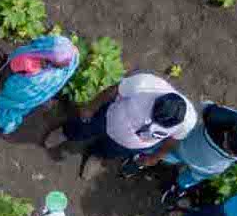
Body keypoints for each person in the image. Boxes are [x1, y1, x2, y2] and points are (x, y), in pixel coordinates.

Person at [44, 72, 196, 175]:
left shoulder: (188, 122)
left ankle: (97, 155)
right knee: (84, 127)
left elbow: (173, 141)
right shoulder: (146, 85)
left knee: (111, 150)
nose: (150, 122)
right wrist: (91, 107)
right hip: (109, 117)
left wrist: (155, 157)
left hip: (131, 144)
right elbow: (114, 90)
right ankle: (66, 132)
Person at [162, 104, 237, 198]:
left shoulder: (215, 123)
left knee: (171, 155)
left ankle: (163, 159)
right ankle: (178, 187)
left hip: (184, 148)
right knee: (192, 178)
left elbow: (206, 107)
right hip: (203, 169)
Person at [0, 33, 80, 135]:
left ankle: (3, 108)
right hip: (13, 91)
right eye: (61, 64)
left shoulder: (70, 55)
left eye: (67, 62)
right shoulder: (27, 61)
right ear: (48, 58)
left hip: (24, 97)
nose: (67, 65)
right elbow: (6, 72)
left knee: (13, 107)